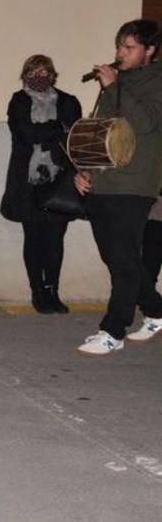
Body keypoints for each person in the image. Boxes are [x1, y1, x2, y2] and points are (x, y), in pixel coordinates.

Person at [74, 19, 162, 353]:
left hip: (135, 182)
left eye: (129, 48)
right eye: (119, 47)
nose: (120, 53)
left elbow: (146, 123)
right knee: (116, 256)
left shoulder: (156, 81)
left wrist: (113, 87)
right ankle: (156, 311)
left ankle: (113, 331)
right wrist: (83, 170)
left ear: (149, 50)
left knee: (124, 259)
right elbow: (102, 131)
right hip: (104, 181)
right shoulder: (118, 82)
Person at [0, 54, 82, 313]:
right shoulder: (19, 101)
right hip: (28, 181)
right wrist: (56, 127)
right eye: (34, 72)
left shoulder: (68, 101)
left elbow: (73, 134)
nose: (40, 77)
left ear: (53, 75)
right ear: (25, 75)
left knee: (56, 239)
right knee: (33, 237)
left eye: (45, 72)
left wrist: (47, 130)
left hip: (59, 179)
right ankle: (37, 292)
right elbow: (24, 134)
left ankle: (52, 291)